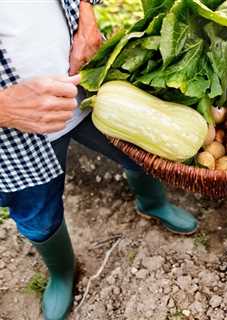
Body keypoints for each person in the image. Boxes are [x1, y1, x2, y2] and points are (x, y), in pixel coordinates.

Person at [0, 1, 198, 319]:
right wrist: (4, 108)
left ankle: (152, 203)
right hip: (13, 139)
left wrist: (87, 13)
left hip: (91, 81)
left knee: (139, 150)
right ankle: (63, 273)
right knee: (37, 212)